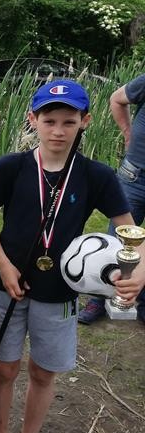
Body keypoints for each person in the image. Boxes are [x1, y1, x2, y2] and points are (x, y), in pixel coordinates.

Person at [0, 80, 145, 433]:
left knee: (42, 371)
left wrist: (138, 271)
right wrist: (3, 264)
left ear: (85, 121)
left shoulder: (96, 175)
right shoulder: (11, 167)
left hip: (59, 293)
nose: (58, 130)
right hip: (7, 285)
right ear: (32, 120)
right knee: (4, 368)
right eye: (49, 120)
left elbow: (131, 231)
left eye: (68, 121)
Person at [79, 72, 145, 325]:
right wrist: (128, 134)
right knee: (117, 240)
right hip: (135, 175)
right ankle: (99, 296)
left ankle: (140, 298)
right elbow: (117, 99)